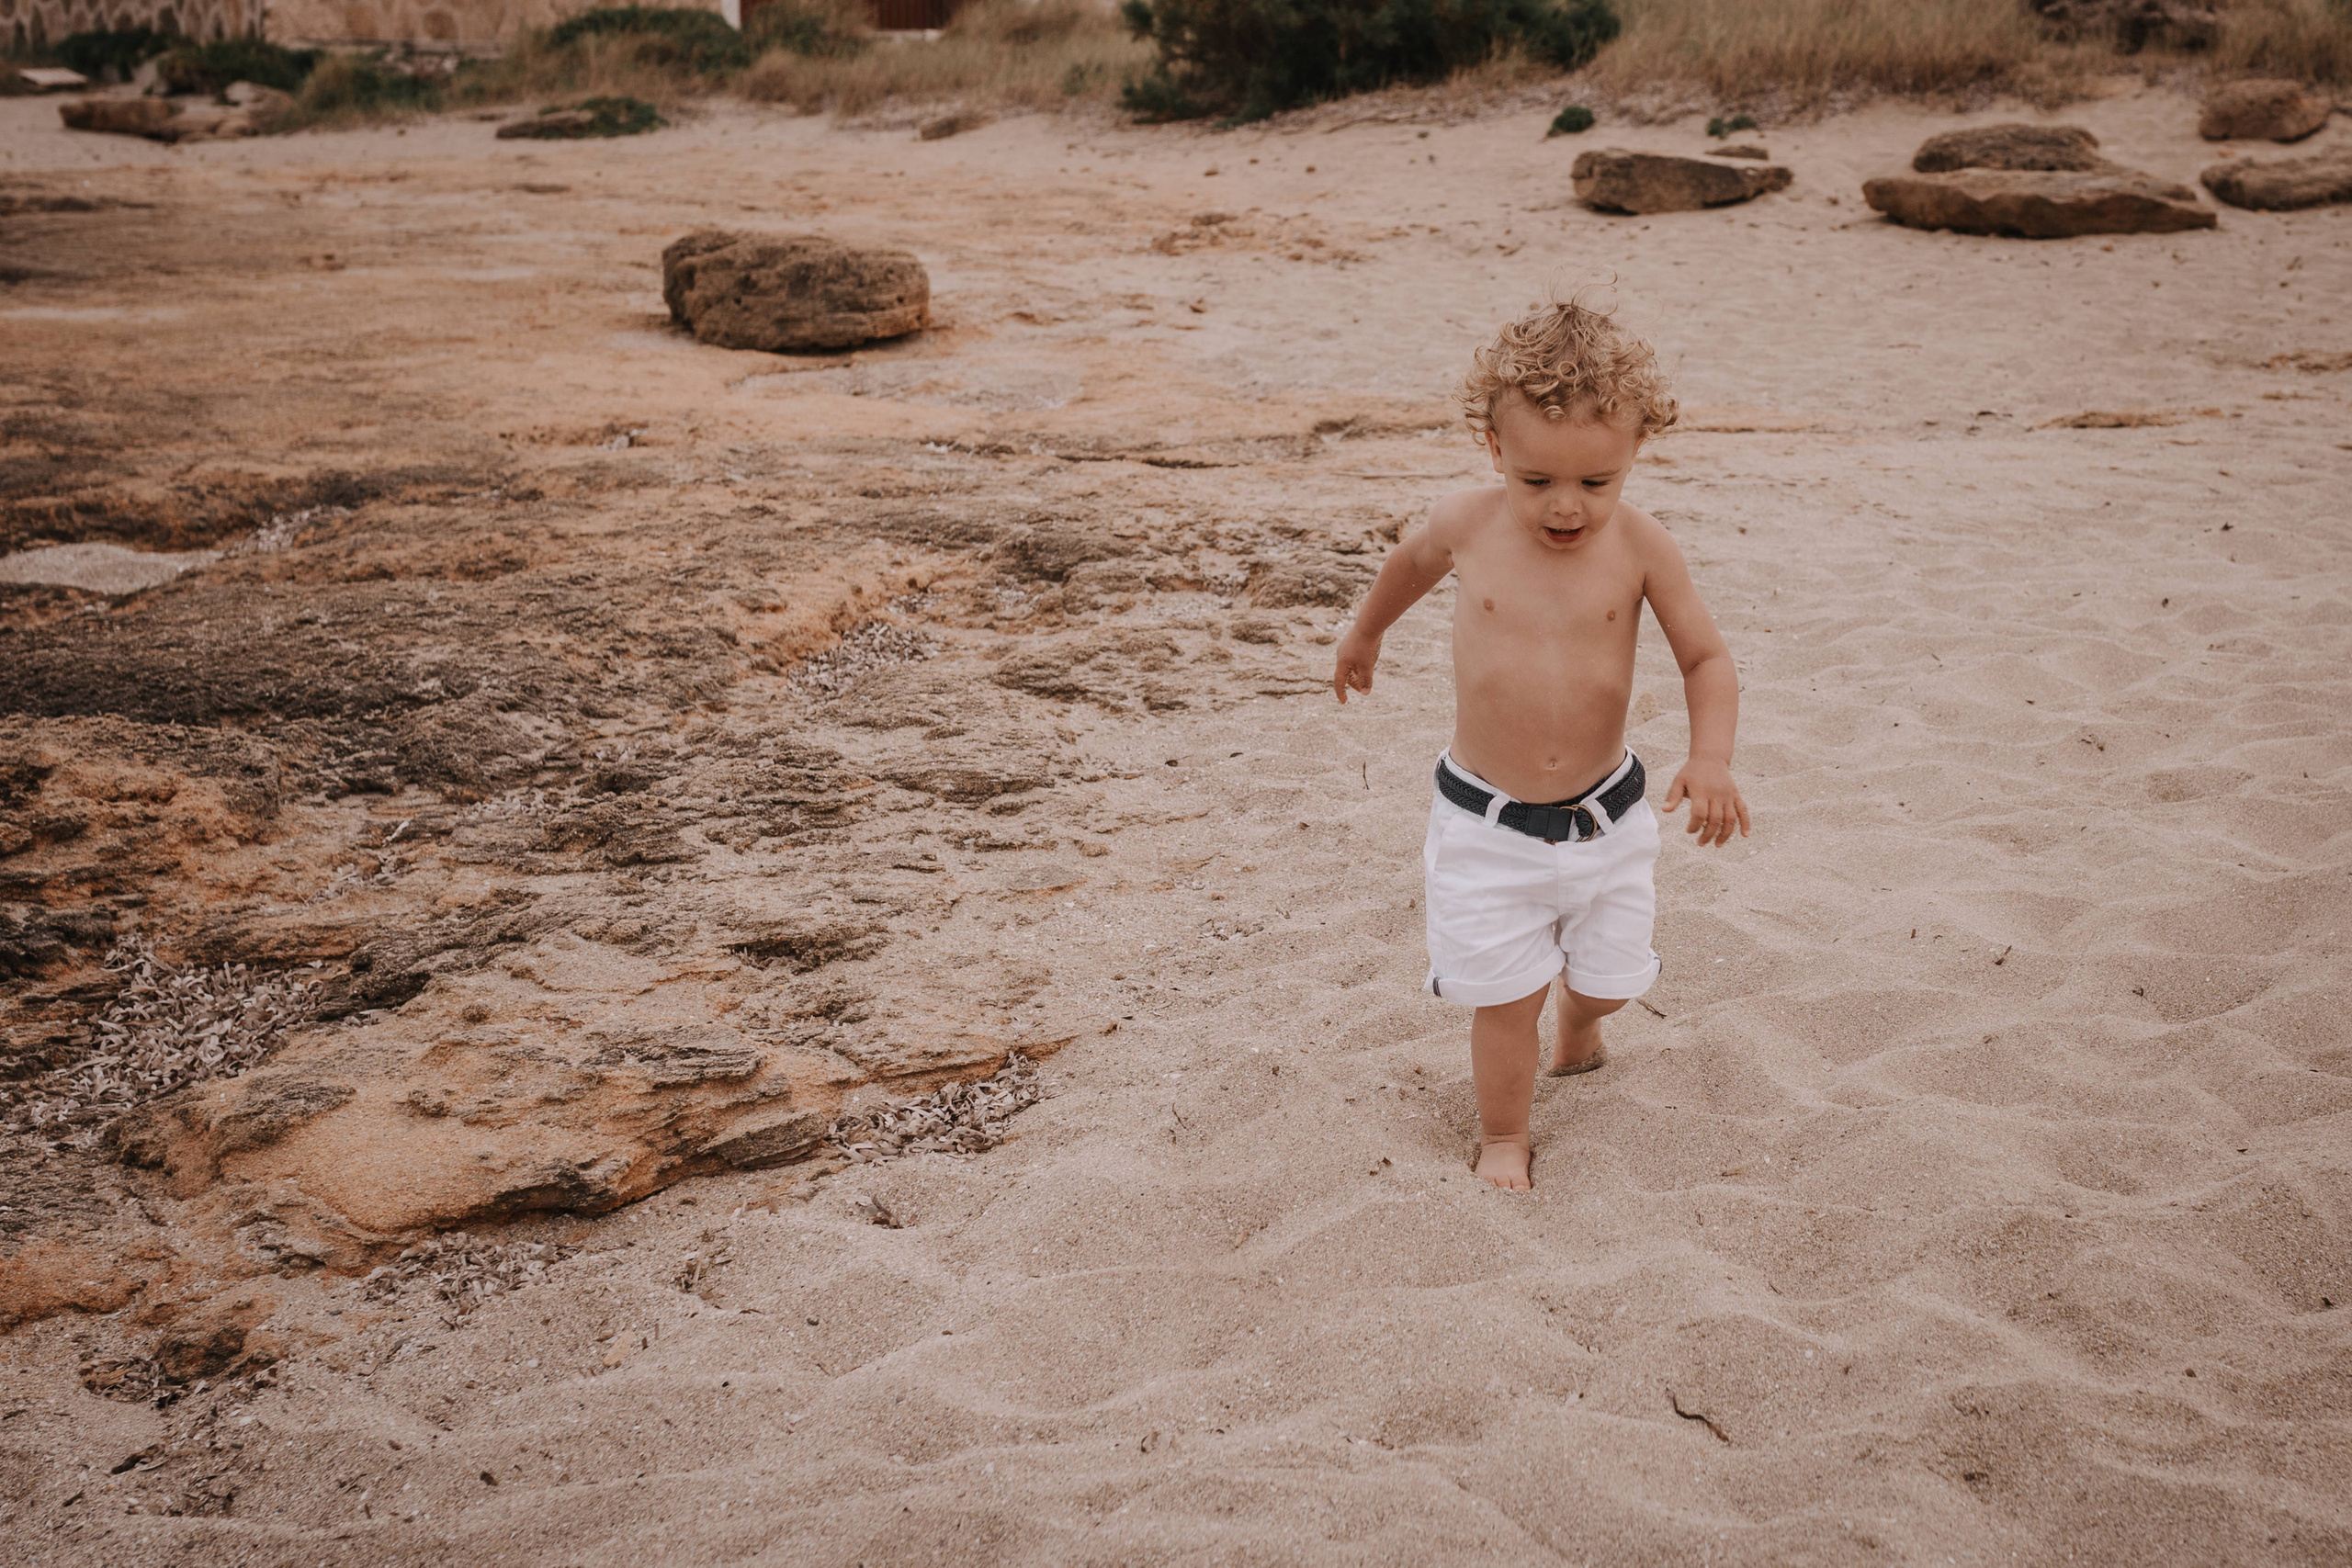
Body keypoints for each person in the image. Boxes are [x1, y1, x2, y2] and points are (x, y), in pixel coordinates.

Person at [1330, 297, 1750, 1191]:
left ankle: (1585, 1023)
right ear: (1494, 451)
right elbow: (1406, 566)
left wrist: (1709, 757)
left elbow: (1706, 657)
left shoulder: (1642, 547)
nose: (1566, 508)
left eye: (1596, 483)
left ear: (1634, 453)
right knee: (1503, 998)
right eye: (1536, 483)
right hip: (1486, 826)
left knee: (1607, 981)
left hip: (1608, 823)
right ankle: (1503, 1138)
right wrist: (1364, 636)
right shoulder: (1465, 525)